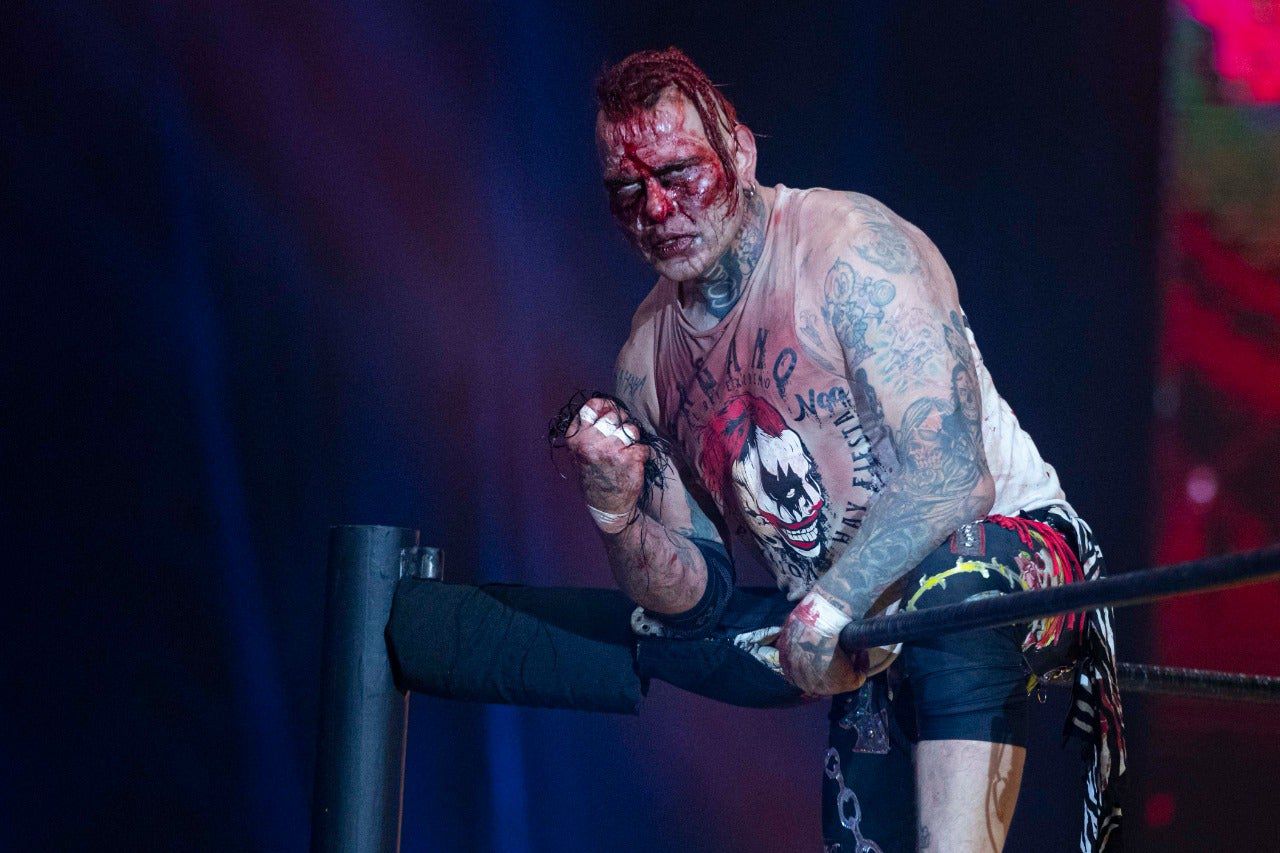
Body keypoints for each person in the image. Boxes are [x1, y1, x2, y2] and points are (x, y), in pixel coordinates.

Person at [565, 48, 1124, 852]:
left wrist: (829, 602)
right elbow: (695, 596)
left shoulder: (848, 251)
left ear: (740, 152)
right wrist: (617, 515)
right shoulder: (647, 360)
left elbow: (952, 476)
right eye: (628, 191)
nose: (657, 208)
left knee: (953, 579)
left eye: (680, 174)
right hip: (858, 625)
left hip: (1009, 558)